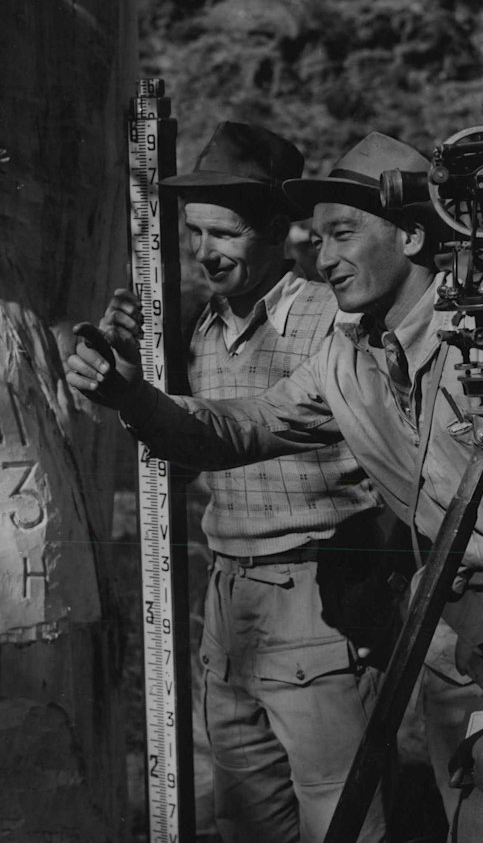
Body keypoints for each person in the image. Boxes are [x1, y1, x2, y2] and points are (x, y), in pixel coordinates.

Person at [67, 131, 483, 843]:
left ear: (410, 235)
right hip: (452, 638)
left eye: (344, 235)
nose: (326, 257)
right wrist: (133, 396)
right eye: (320, 238)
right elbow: (244, 427)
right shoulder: (351, 353)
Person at [116, 120, 398, 843]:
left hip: (316, 598)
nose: (205, 253)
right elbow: (186, 447)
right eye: (196, 235)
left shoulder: (330, 320)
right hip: (228, 605)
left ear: (278, 230)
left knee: (340, 819)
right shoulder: (199, 328)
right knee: (249, 820)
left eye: (226, 235)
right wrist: (131, 361)